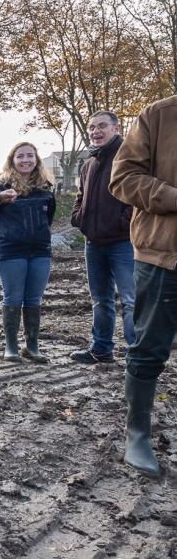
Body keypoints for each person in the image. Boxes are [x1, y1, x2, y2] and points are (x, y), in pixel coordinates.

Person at [109, 95, 177, 477]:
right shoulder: (159, 115)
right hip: (164, 256)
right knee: (149, 348)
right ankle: (137, 434)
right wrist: (172, 197)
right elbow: (123, 179)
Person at [69, 111, 136, 364]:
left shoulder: (128, 158)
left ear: (116, 128)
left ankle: (136, 352)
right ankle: (101, 349)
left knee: (131, 300)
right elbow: (80, 196)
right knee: (100, 299)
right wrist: (79, 218)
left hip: (123, 242)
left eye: (102, 126)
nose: (96, 131)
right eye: (92, 128)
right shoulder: (90, 163)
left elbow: (137, 196)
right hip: (93, 243)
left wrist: (123, 221)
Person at [0, 142, 56, 363]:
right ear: (12, 160)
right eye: (20, 156)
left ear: (36, 159)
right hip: (10, 250)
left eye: (30, 156)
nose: (25, 160)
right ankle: (11, 347)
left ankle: (32, 346)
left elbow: (49, 218)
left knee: (34, 298)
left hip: (40, 251)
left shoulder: (46, 188)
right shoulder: (1, 187)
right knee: (13, 297)